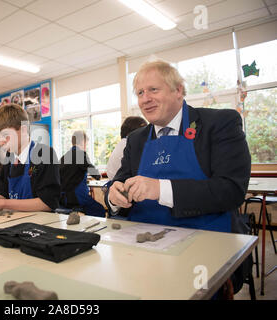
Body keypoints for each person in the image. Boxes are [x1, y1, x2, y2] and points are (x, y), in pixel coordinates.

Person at [106, 60, 251, 298]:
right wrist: (114, 196)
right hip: (140, 251)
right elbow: (116, 184)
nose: (145, 99)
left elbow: (231, 190)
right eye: (140, 93)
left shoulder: (219, 124)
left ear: (178, 91)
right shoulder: (135, 139)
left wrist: (159, 189)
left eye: (154, 90)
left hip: (203, 248)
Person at [0, 103, 60, 215]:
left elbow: (47, 203)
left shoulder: (45, 154)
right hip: (15, 221)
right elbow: (4, 194)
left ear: (23, 130)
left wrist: (2, 203)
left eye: (6, 136)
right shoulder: (8, 158)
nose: (1, 142)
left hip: (41, 224)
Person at [59, 130, 105, 217]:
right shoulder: (80, 154)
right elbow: (94, 173)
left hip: (62, 199)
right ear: (83, 142)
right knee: (100, 210)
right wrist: (99, 175)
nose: (86, 146)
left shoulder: (64, 157)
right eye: (86, 144)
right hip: (76, 198)